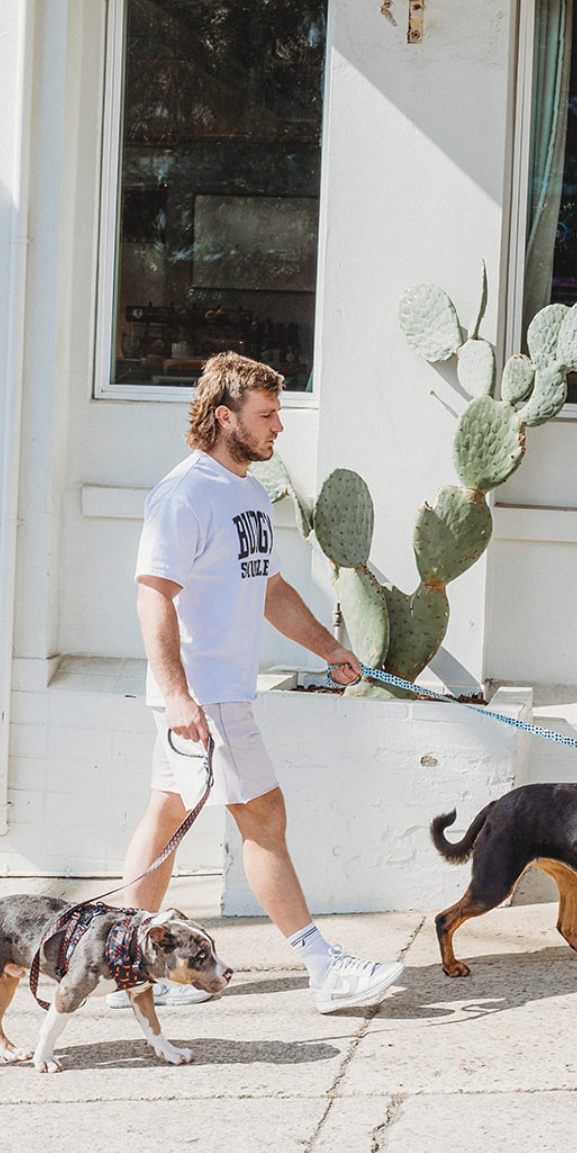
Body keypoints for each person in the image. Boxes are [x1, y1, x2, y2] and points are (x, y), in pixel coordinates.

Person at [108, 352, 403, 1013]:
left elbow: (269, 589)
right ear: (224, 416)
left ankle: (133, 969)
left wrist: (330, 648)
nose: (278, 428)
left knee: (164, 818)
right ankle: (324, 969)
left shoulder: (245, 494)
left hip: (220, 690)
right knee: (265, 817)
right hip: (204, 694)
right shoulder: (184, 494)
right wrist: (180, 694)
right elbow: (152, 598)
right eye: (266, 415)